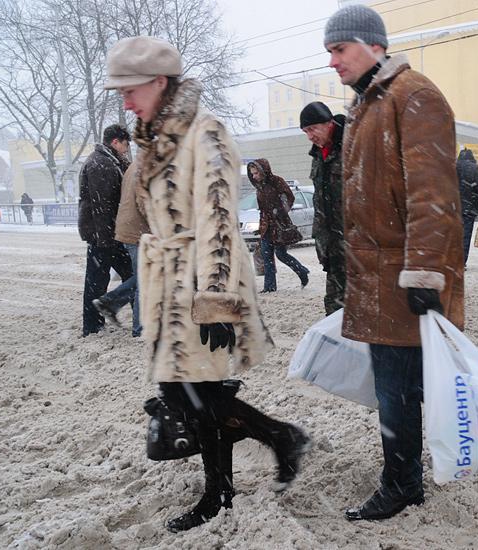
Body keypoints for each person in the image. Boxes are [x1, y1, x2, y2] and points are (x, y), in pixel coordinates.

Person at [104, 36, 309, 532]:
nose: (125, 101)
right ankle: (277, 440)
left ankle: (226, 486)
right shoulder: (156, 140)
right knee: (190, 394)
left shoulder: (205, 132)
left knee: (200, 394)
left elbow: (219, 218)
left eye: (130, 90)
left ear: (159, 82)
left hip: (201, 278)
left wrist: (214, 300)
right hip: (169, 283)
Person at [324, 4, 464, 520]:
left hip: (403, 276)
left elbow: (434, 195)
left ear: (373, 45)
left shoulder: (413, 96)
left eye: (340, 49)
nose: (333, 61)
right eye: (330, 52)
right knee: (401, 388)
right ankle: (404, 474)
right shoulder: (367, 104)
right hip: (377, 275)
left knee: (398, 392)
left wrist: (425, 271)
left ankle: (402, 484)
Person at [78, 124, 134, 337]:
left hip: (107, 233)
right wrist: (107, 239)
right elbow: (102, 206)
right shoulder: (100, 164)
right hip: (104, 235)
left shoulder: (110, 162)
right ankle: (93, 325)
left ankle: (97, 321)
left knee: (111, 278)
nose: (127, 149)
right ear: (115, 142)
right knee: (98, 281)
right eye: (125, 144)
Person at [92, 158, 149, 337]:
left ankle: (110, 302)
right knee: (145, 279)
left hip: (131, 228)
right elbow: (145, 203)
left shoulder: (136, 164)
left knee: (145, 276)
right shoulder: (148, 165)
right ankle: (140, 329)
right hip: (139, 231)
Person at [300, 101, 346, 315]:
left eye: (312, 129)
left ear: (328, 124)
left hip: (358, 248)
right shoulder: (318, 156)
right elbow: (320, 204)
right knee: (334, 310)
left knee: (365, 314)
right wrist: (323, 245)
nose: (309, 136)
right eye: (305, 132)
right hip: (334, 249)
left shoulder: (352, 146)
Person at [247, 159, 309, 292]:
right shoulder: (260, 187)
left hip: (279, 225)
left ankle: (302, 271)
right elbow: (262, 209)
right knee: (266, 255)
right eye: (252, 174)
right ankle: (269, 287)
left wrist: (280, 210)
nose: (254, 176)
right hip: (266, 226)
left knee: (281, 254)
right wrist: (260, 227)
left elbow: (288, 197)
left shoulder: (277, 182)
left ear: (264, 170)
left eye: (256, 173)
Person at [457, 147, 478, 263]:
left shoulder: (453, 166)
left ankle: (452, 260)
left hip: (454, 207)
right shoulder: (476, 168)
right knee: (466, 235)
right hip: (470, 207)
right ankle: (462, 261)